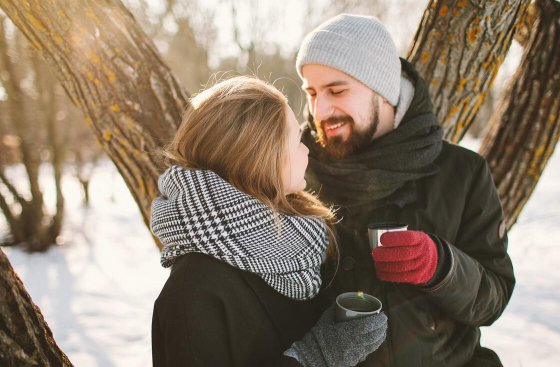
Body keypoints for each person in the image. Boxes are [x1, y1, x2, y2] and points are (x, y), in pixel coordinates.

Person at [295, 14, 516, 367]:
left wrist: (442, 266)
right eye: (312, 93)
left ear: (382, 89)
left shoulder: (462, 173)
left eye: (336, 90)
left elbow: (494, 297)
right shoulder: (297, 172)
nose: (320, 110)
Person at [150, 76, 388, 367]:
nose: (307, 150)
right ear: (261, 156)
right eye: (296, 141)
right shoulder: (194, 290)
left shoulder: (299, 239)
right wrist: (314, 359)